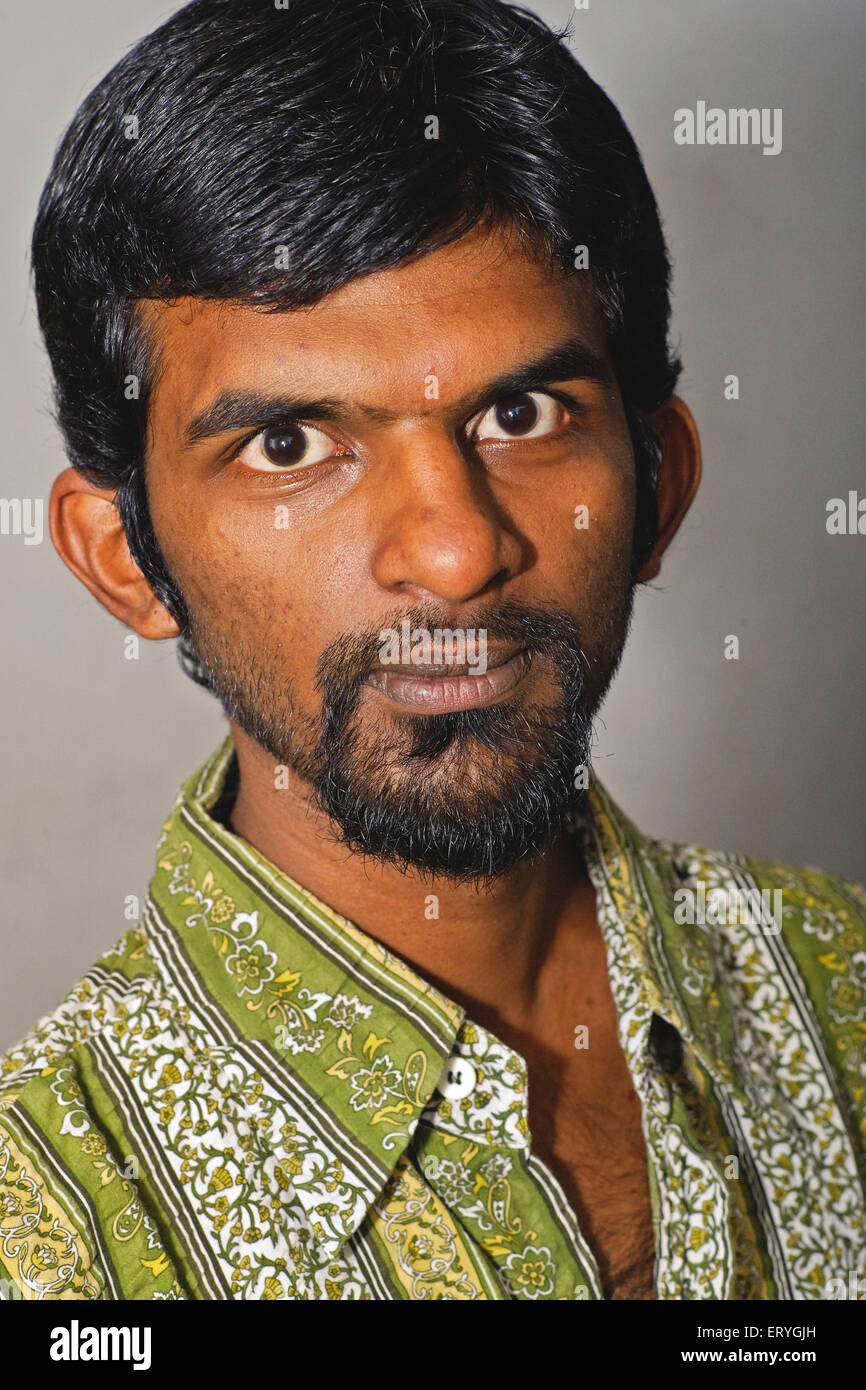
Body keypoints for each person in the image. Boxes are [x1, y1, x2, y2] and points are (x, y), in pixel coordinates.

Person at [1, 0, 863, 1303]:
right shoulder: (42, 1225)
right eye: (290, 443)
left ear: (656, 480)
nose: (454, 550)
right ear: (128, 560)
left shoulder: (842, 985)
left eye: (519, 412)